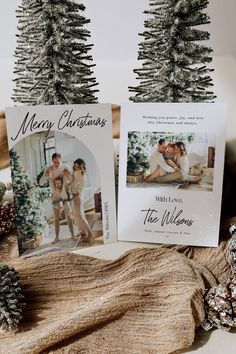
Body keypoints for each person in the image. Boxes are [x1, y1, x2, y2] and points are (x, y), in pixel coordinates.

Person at [40, 153, 76, 243]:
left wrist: (68, 174)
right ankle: (57, 237)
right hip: (55, 197)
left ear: (61, 160)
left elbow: (72, 180)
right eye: (55, 162)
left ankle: (72, 234)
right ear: (52, 161)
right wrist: (46, 176)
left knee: (68, 216)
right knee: (56, 218)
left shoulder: (65, 167)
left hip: (64, 196)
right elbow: (40, 182)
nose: (57, 164)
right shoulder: (49, 169)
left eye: (58, 162)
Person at [68, 158, 94, 244]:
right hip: (73, 196)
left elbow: (79, 192)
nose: (76, 168)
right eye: (75, 166)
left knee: (81, 216)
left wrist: (72, 198)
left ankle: (90, 234)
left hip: (78, 198)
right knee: (76, 216)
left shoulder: (82, 177)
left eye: (78, 166)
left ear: (81, 167)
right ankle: (83, 231)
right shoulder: (74, 173)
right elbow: (71, 181)